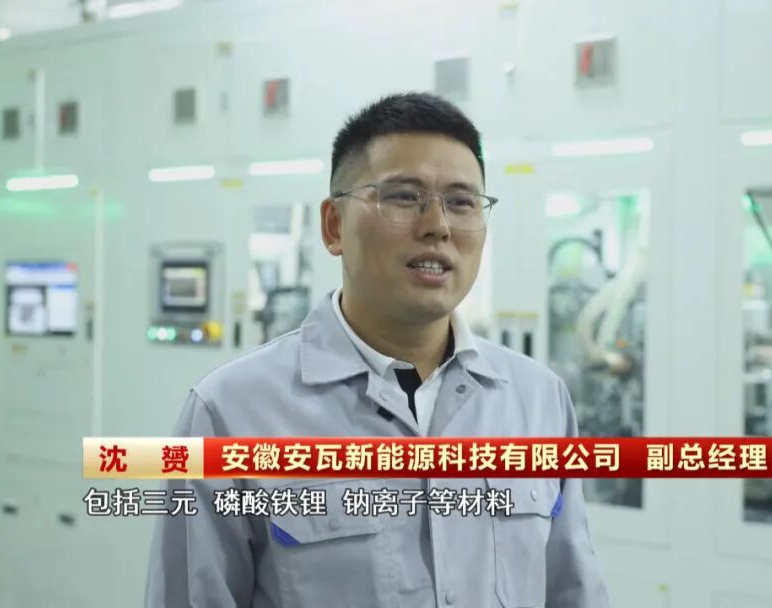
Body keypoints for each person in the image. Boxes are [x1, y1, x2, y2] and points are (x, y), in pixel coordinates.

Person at [145, 92, 610, 607]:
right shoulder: (230, 413)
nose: (438, 226)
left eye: (461, 202)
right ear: (334, 226)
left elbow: (574, 591)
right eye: (404, 197)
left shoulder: (537, 400)